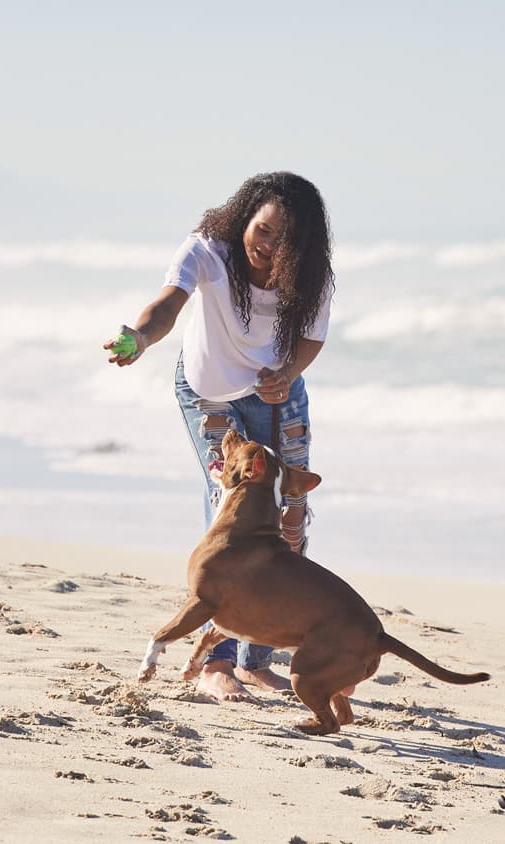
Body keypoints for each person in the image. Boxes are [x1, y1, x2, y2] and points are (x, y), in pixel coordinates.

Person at [104, 171, 335, 702]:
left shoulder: (314, 277)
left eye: (285, 239)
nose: (270, 245)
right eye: (264, 230)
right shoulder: (208, 251)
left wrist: (288, 374)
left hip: (278, 393)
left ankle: (259, 656)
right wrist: (138, 336)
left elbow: (312, 338)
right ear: (246, 219)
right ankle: (216, 661)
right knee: (230, 511)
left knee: (290, 516)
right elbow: (167, 305)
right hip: (208, 392)